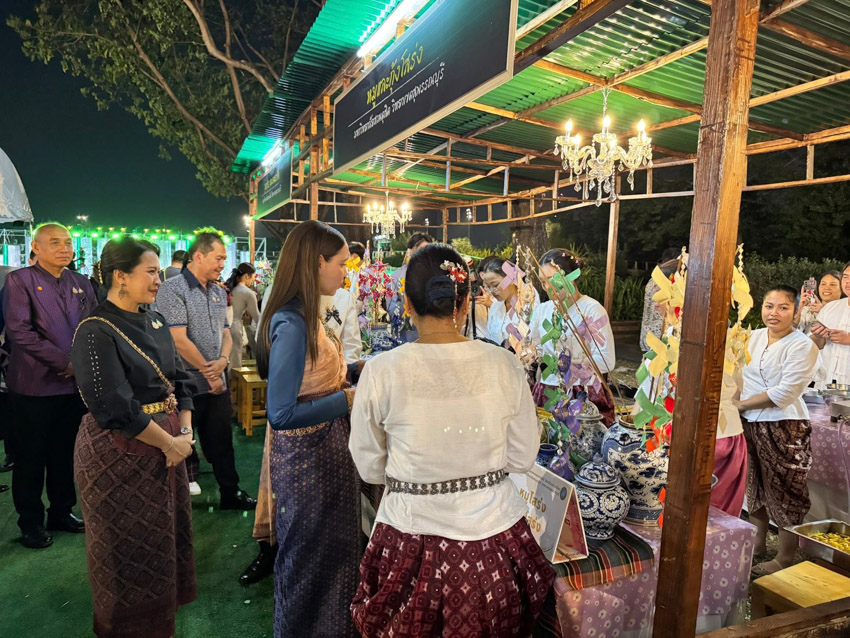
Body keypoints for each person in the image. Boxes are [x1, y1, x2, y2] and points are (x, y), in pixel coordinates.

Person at [349, 243, 554, 636]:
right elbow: (522, 457)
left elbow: (370, 466)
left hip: (408, 543)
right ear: (463, 304)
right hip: (495, 547)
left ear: (407, 305)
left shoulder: (381, 370)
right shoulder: (504, 363)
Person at [71, 237, 197, 637]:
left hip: (169, 448)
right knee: (125, 550)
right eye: (151, 272)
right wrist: (171, 443)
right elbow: (113, 405)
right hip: (119, 455)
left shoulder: (155, 321)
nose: (159, 280)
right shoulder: (95, 330)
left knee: (164, 543)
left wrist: (185, 433)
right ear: (120, 276)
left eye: (159, 271)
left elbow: (181, 380)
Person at [254, 220, 361, 636]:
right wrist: (347, 400)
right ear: (317, 262)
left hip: (326, 452)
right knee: (308, 560)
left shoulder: (306, 313)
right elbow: (280, 413)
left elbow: (318, 377)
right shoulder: (292, 321)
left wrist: (357, 372)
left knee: (332, 557)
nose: (345, 273)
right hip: (307, 462)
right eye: (341, 263)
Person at [2, 223, 97, 548]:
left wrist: (83, 363)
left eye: (68, 242)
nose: (64, 248)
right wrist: (65, 363)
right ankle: (30, 522)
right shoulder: (20, 280)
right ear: (36, 247)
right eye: (55, 242)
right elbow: (19, 331)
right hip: (34, 387)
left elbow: (93, 326)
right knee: (31, 457)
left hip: (73, 388)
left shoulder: (80, 282)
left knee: (64, 454)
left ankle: (61, 511)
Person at [156, 232, 255, 510]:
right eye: (218, 258)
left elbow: (226, 333)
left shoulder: (218, 292)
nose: (223, 264)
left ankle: (230, 492)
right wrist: (209, 371)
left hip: (216, 380)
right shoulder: (172, 289)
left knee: (222, 439)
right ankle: (174, 501)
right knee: (181, 442)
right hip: (185, 383)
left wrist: (223, 360)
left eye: (224, 259)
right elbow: (178, 339)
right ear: (198, 256)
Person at [736, 285, 818, 576]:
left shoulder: (802, 345)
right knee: (755, 485)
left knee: (786, 490)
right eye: (769, 306)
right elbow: (738, 374)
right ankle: (757, 544)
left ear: (796, 312)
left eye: (784, 307)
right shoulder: (753, 337)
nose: (774, 313)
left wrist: (740, 404)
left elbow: (784, 393)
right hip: (748, 421)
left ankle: (785, 557)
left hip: (784, 425)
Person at [529, 249, 617, 423]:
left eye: (552, 280)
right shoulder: (542, 310)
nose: (547, 287)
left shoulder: (591, 310)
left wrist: (569, 367)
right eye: (542, 281)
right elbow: (534, 346)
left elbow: (607, 360)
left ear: (571, 278)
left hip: (581, 392)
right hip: (547, 389)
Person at [479, 255, 540, 347]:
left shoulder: (528, 300)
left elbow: (533, 339)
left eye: (495, 285)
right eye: (488, 287)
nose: (492, 290)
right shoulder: (495, 307)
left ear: (511, 278)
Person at [387, 232, 433, 342]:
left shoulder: (435, 275)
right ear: (409, 251)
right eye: (420, 250)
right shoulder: (397, 276)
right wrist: (407, 309)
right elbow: (391, 307)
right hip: (405, 336)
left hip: (431, 334)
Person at [811, 263, 850, 385]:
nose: (848, 282)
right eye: (845, 277)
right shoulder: (829, 308)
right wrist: (818, 336)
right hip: (826, 383)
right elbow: (817, 344)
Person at [640, 248, 679, 351]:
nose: (656, 302)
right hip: (658, 337)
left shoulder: (654, 280)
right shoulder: (661, 279)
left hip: (654, 336)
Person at [226, 262, 259, 369]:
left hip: (223, 327)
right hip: (235, 328)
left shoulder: (229, 288)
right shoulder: (248, 293)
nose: (253, 280)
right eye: (253, 277)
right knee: (235, 363)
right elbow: (257, 318)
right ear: (246, 276)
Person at [321, 285, 362, 364]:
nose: (344, 274)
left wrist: (344, 369)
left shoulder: (344, 297)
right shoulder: (299, 295)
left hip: (337, 368)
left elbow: (351, 347)